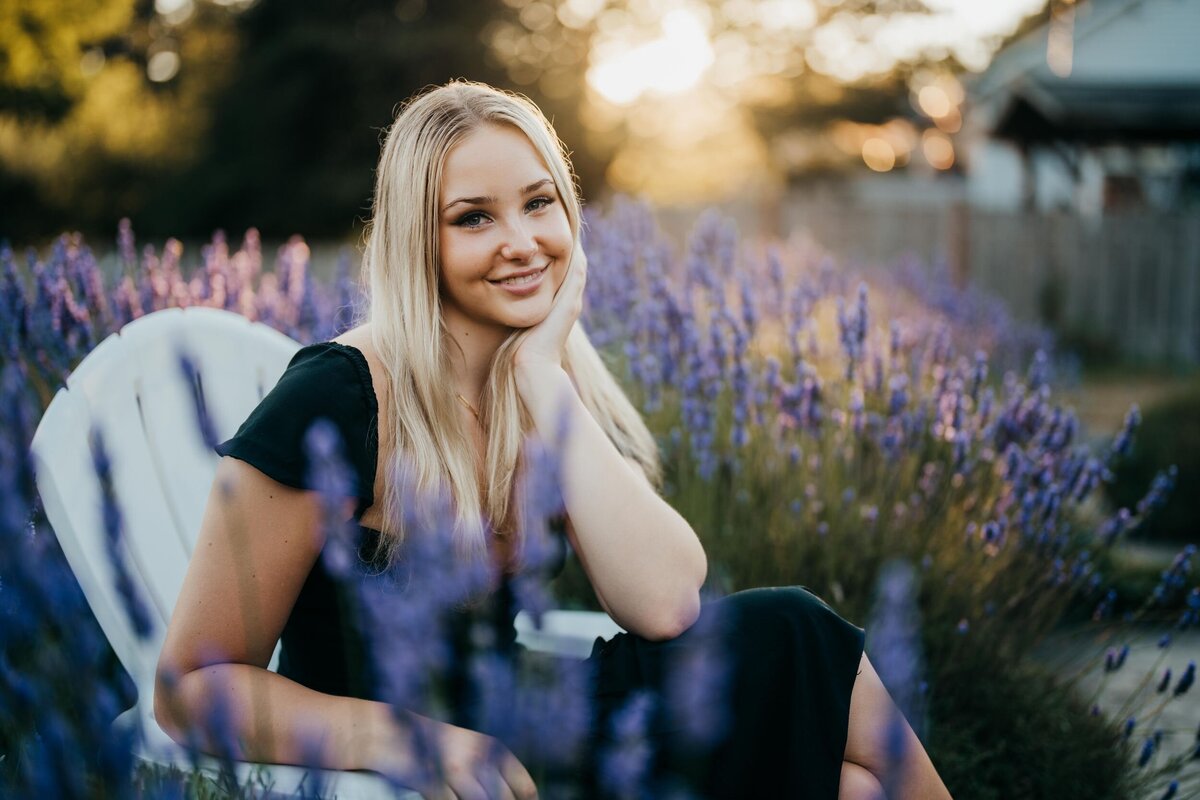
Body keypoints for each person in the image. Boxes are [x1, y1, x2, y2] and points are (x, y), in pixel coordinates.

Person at [154, 79, 952, 800]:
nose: (523, 241)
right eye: (473, 218)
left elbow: (667, 602)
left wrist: (542, 376)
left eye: (540, 203)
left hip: (537, 735)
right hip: (410, 772)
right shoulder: (337, 400)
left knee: (815, 686)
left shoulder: (535, 376)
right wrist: (405, 740)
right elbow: (190, 684)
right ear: (417, 243)